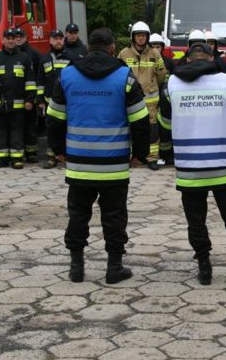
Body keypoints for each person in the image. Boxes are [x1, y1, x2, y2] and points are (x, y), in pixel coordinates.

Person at [47, 27, 150, 284]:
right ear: (113, 48)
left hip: (79, 164)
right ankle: (114, 267)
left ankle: (76, 267)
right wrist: (140, 154)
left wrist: (58, 150)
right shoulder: (124, 76)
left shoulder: (67, 75)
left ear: (88, 47)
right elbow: (140, 120)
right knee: (114, 216)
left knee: (78, 215)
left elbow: (54, 118)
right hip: (114, 165)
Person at [158, 42, 226, 285]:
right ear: (212, 58)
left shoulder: (171, 85)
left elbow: (165, 123)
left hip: (189, 167)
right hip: (224, 165)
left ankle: (204, 267)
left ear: (188, 59)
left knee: (196, 220)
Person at [0, 29, 36, 168]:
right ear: (3, 40)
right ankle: (1, 159)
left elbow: (30, 81)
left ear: (16, 40)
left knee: (17, 130)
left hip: (18, 103)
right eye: (8, 38)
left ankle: (17, 159)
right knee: (0, 131)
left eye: (13, 38)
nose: (11, 41)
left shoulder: (24, 58)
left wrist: (29, 100)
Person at [118, 21, 167, 170]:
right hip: (130, 99)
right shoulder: (124, 54)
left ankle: (152, 158)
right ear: (133, 37)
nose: (141, 38)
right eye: (138, 35)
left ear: (147, 37)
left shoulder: (154, 54)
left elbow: (162, 74)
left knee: (152, 129)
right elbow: (118, 74)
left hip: (150, 99)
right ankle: (132, 156)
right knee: (130, 127)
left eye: (143, 35)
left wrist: (152, 86)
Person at [40, 29, 77, 168]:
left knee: (67, 129)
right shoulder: (44, 58)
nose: (58, 41)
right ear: (50, 41)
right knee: (52, 130)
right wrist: (40, 100)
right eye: (55, 39)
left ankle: (67, 156)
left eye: (60, 39)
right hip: (49, 103)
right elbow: (40, 80)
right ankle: (52, 157)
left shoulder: (71, 58)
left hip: (67, 101)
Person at [15, 28, 44, 163]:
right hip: (15, 96)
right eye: (16, 37)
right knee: (17, 126)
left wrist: (35, 97)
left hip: (30, 96)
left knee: (30, 126)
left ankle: (31, 153)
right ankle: (18, 152)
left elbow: (39, 75)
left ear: (26, 37)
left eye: (21, 36)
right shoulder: (10, 54)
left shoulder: (34, 54)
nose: (18, 39)